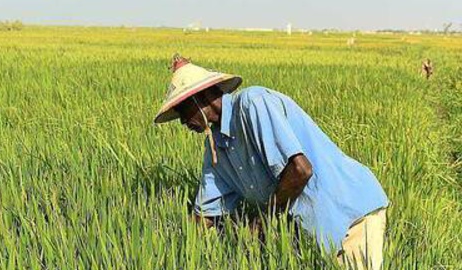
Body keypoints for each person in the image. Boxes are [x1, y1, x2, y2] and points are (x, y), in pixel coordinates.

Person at [153, 54, 390, 269]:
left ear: (199, 98)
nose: (183, 122)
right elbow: (206, 212)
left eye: (183, 111)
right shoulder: (217, 147)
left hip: (349, 215)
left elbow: (300, 170)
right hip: (312, 230)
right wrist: (174, 249)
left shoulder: (253, 103)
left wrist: (262, 223)